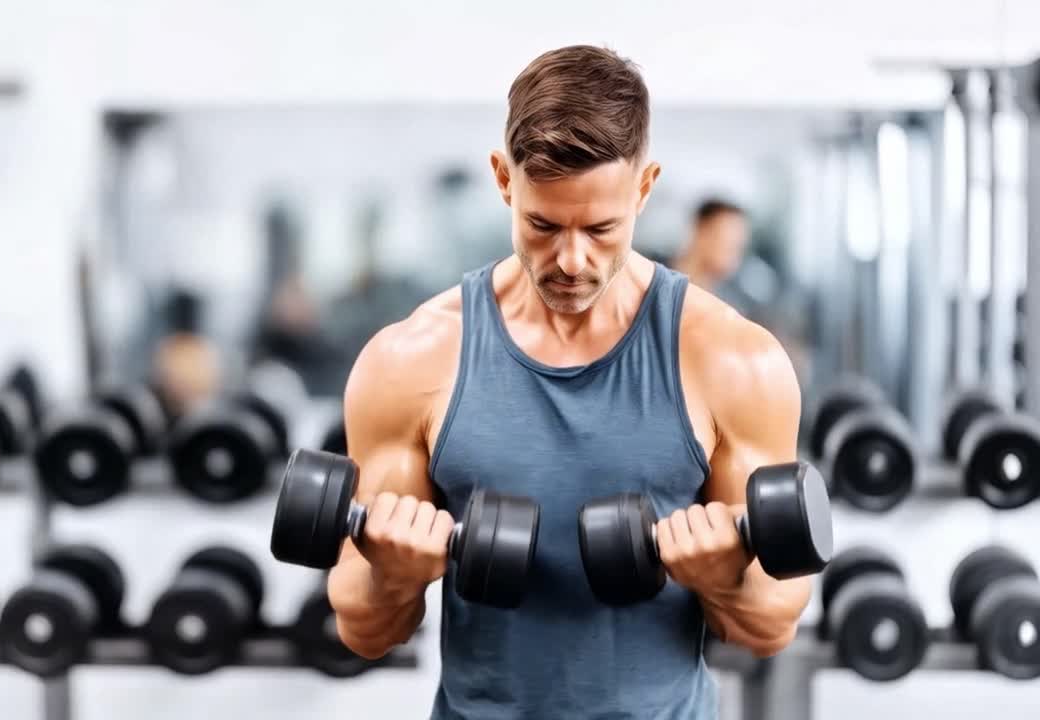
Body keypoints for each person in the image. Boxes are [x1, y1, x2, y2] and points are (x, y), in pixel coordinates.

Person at [325, 45, 809, 719]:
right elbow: (364, 629)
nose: (572, 260)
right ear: (503, 179)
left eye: (602, 228)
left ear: (644, 188)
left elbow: (769, 626)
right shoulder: (412, 360)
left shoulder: (732, 361)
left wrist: (724, 582)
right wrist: (394, 578)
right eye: (543, 226)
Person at [671, 198, 750, 297]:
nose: (733, 256)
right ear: (701, 230)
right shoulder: (650, 275)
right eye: (727, 242)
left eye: (738, 247)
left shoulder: (728, 305)